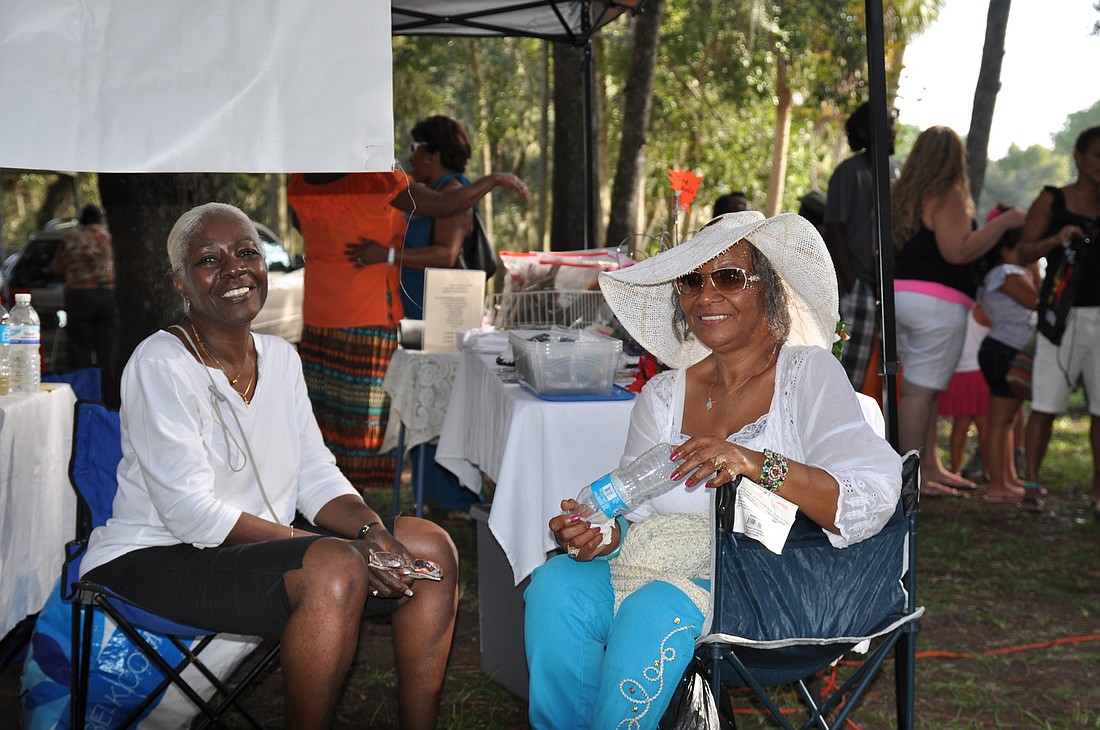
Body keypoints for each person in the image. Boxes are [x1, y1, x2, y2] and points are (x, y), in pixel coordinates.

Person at [79, 203, 460, 730]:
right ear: (181, 284)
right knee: (331, 566)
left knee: (429, 544)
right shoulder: (159, 363)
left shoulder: (281, 358)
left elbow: (316, 476)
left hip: (254, 552)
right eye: (209, 259)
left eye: (246, 252)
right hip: (153, 557)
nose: (234, 268)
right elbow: (190, 515)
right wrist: (333, 549)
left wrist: (374, 533)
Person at [523, 211, 902, 729]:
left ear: (768, 291)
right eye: (691, 281)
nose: (706, 296)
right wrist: (597, 535)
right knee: (554, 587)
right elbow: (631, 508)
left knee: (654, 608)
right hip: (651, 559)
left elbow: (871, 496)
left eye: (728, 277)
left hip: (768, 576)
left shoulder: (808, 375)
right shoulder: (662, 395)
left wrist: (752, 462)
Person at [288, 168, 528, 490]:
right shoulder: (374, 177)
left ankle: (321, 499)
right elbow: (442, 205)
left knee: (322, 420)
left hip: (318, 315)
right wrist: (494, 180)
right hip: (367, 316)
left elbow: (299, 225)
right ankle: (356, 512)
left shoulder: (299, 180)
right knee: (363, 429)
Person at [343, 115, 485, 512]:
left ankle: (450, 499)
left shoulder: (454, 191)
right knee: (427, 402)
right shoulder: (430, 191)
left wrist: (385, 255)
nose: (411, 155)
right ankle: (431, 495)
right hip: (419, 306)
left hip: (443, 310)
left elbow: (447, 254)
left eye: (416, 147)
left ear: (435, 153)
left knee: (441, 407)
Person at [891, 126, 1026, 496]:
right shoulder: (946, 195)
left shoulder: (900, 195)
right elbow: (958, 251)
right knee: (920, 392)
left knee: (923, 388)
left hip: (899, 298)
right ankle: (911, 477)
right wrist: (1004, 223)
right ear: (954, 159)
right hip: (936, 304)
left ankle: (929, 467)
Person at [1017, 126, 1100, 511]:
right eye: (1097, 154)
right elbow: (1022, 253)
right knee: (1046, 403)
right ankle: (1032, 485)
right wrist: (1056, 240)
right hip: (1060, 316)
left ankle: (1098, 490)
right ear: (1079, 158)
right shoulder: (1053, 200)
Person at [823, 102, 902, 390]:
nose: (892, 130)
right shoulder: (849, 172)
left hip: (892, 289)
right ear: (864, 131)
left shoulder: (899, 171)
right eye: (886, 124)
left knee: (886, 373)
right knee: (848, 373)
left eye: (894, 123)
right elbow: (834, 228)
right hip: (859, 288)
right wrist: (852, 281)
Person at [976, 226, 1041, 509]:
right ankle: (997, 484)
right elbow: (1037, 301)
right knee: (1000, 421)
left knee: (1009, 420)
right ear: (1006, 250)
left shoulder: (1007, 273)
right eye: (1022, 249)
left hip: (1006, 350)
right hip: (1004, 351)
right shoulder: (1007, 273)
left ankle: (1008, 478)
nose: (1027, 254)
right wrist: (1036, 267)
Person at [51, 203, 119, 403]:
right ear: (100, 219)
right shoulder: (109, 237)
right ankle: (109, 399)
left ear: (82, 220)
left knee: (80, 349)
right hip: (107, 295)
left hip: (79, 296)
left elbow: (56, 268)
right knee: (108, 350)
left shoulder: (70, 238)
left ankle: (83, 397)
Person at [938, 304, 991, 482]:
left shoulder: (955, 309)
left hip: (958, 371)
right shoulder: (982, 310)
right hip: (977, 372)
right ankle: (988, 469)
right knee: (984, 426)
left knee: (960, 424)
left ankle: (955, 470)